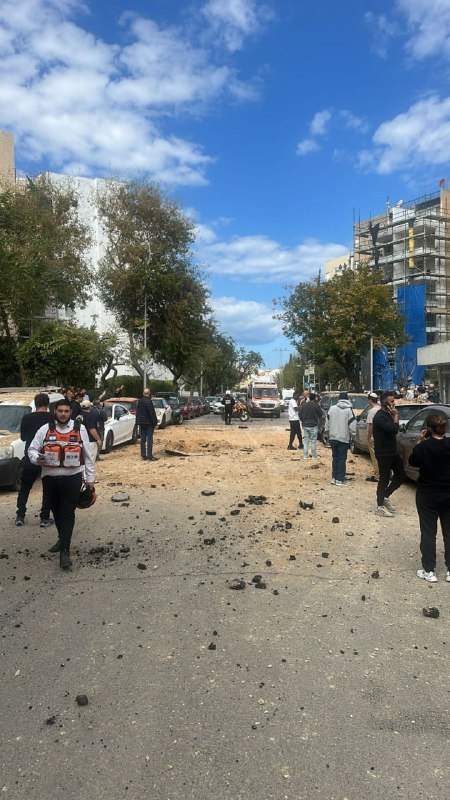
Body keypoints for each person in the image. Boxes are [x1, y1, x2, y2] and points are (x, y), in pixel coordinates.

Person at [28, 399, 95, 569]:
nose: (63, 414)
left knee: (67, 513)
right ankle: (62, 539)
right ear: (55, 411)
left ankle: (65, 552)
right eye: (60, 411)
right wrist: (37, 458)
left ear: (70, 412)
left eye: (66, 411)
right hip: (50, 479)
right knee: (56, 512)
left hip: (72, 478)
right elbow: (32, 450)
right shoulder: (44, 429)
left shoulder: (80, 429)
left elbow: (88, 456)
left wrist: (90, 479)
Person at [409, 412, 450, 583]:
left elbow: (412, 461)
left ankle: (429, 570)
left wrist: (420, 441)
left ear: (428, 429)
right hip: (448, 494)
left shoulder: (423, 447)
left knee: (428, 532)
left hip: (427, 495)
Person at [15, 392, 53, 528]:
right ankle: (44, 517)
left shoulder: (27, 418)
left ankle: (20, 515)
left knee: (25, 487)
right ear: (48, 404)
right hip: (48, 457)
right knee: (47, 489)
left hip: (30, 457)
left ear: (35, 404)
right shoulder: (52, 418)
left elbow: (23, 438)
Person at [372, 390, 405, 517]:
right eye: (391, 401)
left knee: (400, 476)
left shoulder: (389, 414)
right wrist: (395, 416)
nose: (394, 403)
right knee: (384, 479)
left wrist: (394, 416)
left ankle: (385, 496)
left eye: (393, 401)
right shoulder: (379, 417)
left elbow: (395, 428)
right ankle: (379, 506)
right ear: (384, 403)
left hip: (392, 451)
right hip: (383, 453)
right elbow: (393, 429)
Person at [325, 391, 356, 486]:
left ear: (339, 399)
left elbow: (327, 422)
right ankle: (340, 479)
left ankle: (334, 477)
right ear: (347, 399)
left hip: (333, 437)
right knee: (342, 459)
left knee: (335, 458)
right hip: (343, 438)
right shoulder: (349, 410)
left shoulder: (332, 408)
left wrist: (327, 432)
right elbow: (352, 425)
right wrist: (353, 435)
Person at [136, 388, 158, 460]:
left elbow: (138, 412)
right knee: (149, 439)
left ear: (143, 393)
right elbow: (151, 413)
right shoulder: (149, 402)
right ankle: (149, 455)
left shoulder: (140, 401)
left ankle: (143, 455)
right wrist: (155, 422)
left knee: (142, 439)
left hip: (142, 423)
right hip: (149, 423)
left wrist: (137, 422)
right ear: (149, 393)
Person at [299, 393, 322, 459]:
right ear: (314, 398)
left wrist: (303, 420)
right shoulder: (316, 405)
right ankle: (314, 456)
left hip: (305, 425)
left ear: (309, 398)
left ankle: (305, 456)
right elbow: (320, 414)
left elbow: (300, 414)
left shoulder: (304, 405)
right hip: (313, 425)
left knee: (306, 441)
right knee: (313, 441)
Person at [365, 391, 380, 482]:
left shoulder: (372, 411)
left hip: (373, 437)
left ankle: (377, 475)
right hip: (380, 437)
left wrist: (368, 437)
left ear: (370, 400)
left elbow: (370, 425)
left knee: (374, 457)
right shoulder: (380, 408)